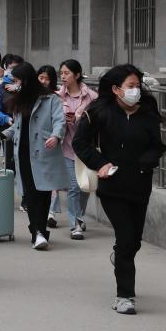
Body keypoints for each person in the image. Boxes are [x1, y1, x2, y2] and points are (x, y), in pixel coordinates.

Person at [73, 64, 166, 316]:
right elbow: (80, 143)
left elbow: (158, 146)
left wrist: (147, 160)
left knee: (134, 241)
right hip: (112, 186)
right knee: (125, 237)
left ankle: (120, 256)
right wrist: (100, 164)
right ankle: (124, 296)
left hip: (139, 185)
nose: (136, 90)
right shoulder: (100, 112)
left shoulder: (147, 112)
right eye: (130, 86)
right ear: (116, 89)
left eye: (138, 86)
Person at [4, 63, 68, 251]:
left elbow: (60, 121)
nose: (15, 84)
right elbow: (16, 127)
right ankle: (38, 232)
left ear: (26, 80)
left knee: (44, 193)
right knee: (31, 193)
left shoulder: (50, 99)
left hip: (44, 152)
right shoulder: (19, 100)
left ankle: (38, 231)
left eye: (17, 81)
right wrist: (2, 134)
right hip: (24, 153)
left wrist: (56, 136)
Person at [59, 59, 98, 240]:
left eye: (66, 73)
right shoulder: (58, 96)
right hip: (67, 146)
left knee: (85, 186)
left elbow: (98, 121)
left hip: (86, 148)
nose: (63, 76)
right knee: (74, 186)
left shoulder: (92, 97)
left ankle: (79, 215)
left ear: (77, 75)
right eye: (61, 73)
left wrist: (80, 118)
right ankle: (75, 224)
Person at [0, 54, 25, 207]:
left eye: (17, 68)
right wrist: (5, 119)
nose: (14, 71)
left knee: (25, 164)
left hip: (26, 130)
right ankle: (6, 197)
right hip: (7, 129)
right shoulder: (1, 88)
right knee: (9, 165)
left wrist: (20, 88)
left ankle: (26, 199)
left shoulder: (28, 86)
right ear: (5, 68)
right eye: (11, 68)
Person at [37, 64, 63, 227]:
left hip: (49, 145)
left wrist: (56, 135)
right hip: (33, 147)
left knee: (51, 182)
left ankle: (50, 212)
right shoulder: (30, 97)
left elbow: (59, 120)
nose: (44, 82)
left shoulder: (54, 98)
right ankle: (42, 212)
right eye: (41, 78)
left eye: (47, 79)